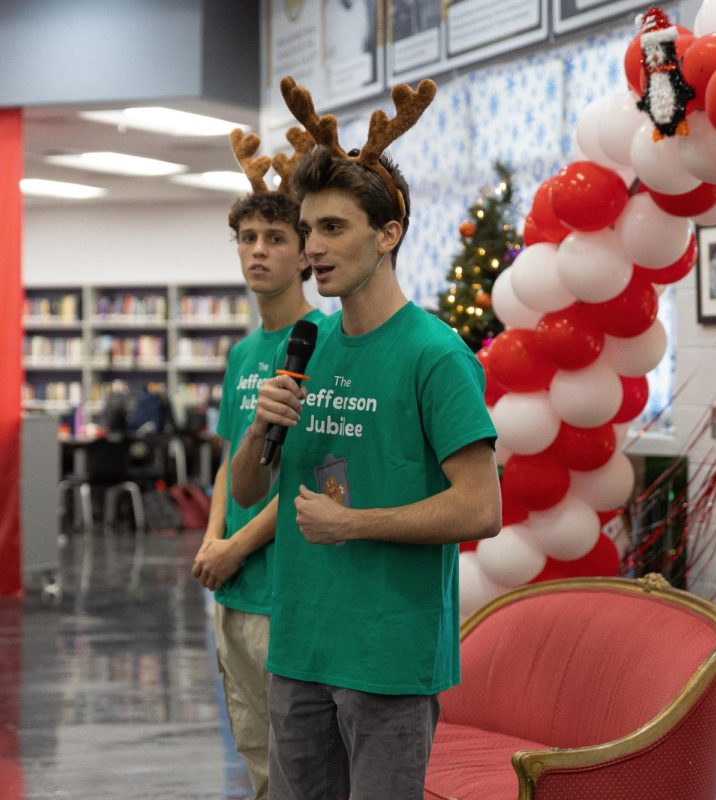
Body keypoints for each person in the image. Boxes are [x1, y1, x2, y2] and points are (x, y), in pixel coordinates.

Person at [230, 78, 501, 799]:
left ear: (388, 234)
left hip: (387, 654)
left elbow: (480, 508)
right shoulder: (305, 342)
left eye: (334, 228)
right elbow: (247, 488)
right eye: (308, 228)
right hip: (299, 642)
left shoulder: (435, 356)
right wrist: (262, 426)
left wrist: (355, 523)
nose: (311, 249)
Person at [192, 130, 323, 800]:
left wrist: (237, 545)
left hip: (282, 589)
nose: (259, 252)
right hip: (232, 589)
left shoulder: (323, 343)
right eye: (248, 239)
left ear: (305, 253)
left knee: (295, 763)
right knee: (254, 755)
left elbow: (315, 478)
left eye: (275, 239)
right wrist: (215, 540)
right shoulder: (245, 354)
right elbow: (227, 462)